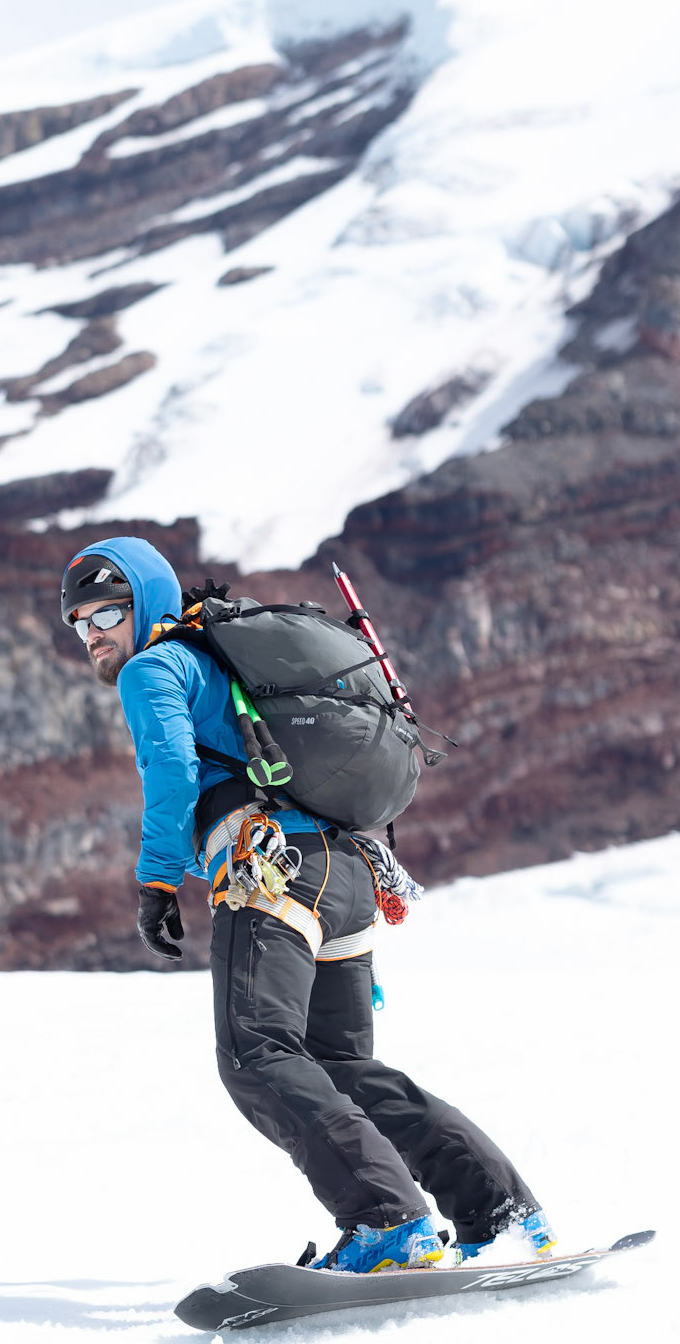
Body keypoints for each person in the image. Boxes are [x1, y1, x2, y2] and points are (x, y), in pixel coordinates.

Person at [61, 533, 555, 1272]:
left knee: (255, 1054)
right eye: (80, 623)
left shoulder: (155, 667)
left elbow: (168, 769)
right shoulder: (218, 657)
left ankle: (386, 1223)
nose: (93, 635)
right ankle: (498, 1211)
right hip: (347, 872)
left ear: (149, 602)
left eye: (107, 613)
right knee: (340, 1067)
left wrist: (159, 881)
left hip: (273, 872)